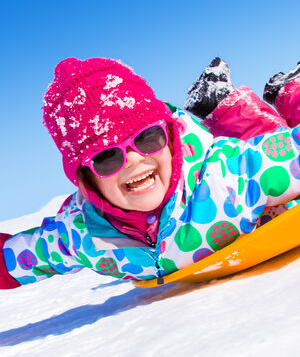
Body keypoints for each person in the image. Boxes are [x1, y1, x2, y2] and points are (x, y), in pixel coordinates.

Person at [0, 57, 300, 289]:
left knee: (268, 133)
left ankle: (291, 92)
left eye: (147, 138)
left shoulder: (230, 177)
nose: (132, 160)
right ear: (85, 180)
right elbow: (19, 258)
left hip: (256, 192)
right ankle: (221, 102)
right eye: (106, 157)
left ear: (169, 138)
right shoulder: (82, 234)